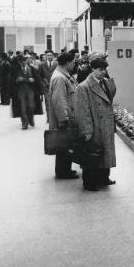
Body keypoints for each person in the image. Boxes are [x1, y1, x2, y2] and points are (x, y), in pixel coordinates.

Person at [74, 57, 117, 190]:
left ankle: (104, 177)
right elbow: (83, 111)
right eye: (100, 70)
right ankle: (89, 183)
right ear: (92, 70)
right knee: (92, 155)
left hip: (105, 125)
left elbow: (112, 94)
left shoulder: (104, 83)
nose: (104, 72)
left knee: (105, 153)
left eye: (105, 69)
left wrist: (107, 79)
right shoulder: (83, 87)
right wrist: (87, 131)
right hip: (94, 126)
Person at [47, 52, 78, 179]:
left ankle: (65, 169)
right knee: (63, 145)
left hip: (66, 116)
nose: (74, 64)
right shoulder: (60, 78)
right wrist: (63, 118)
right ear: (67, 63)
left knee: (65, 145)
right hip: (64, 117)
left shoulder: (62, 75)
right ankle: (62, 172)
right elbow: (59, 100)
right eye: (73, 62)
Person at [11, 54, 43, 130]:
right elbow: (11, 81)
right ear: (19, 62)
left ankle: (30, 118)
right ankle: (24, 123)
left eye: (24, 60)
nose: (23, 62)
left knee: (31, 106)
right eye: (21, 61)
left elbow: (38, 80)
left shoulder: (32, 69)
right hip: (20, 91)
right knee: (23, 107)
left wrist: (33, 81)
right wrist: (17, 80)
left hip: (31, 90)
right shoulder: (15, 70)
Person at [39, 50, 57, 119]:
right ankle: (49, 118)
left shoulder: (56, 64)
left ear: (53, 56)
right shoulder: (42, 64)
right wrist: (44, 83)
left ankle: (55, 117)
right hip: (46, 87)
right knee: (47, 102)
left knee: (55, 102)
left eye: (50, 55)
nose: (49, 56)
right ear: (46, 56)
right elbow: (40, 75)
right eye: (48, 55)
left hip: (55, 85)